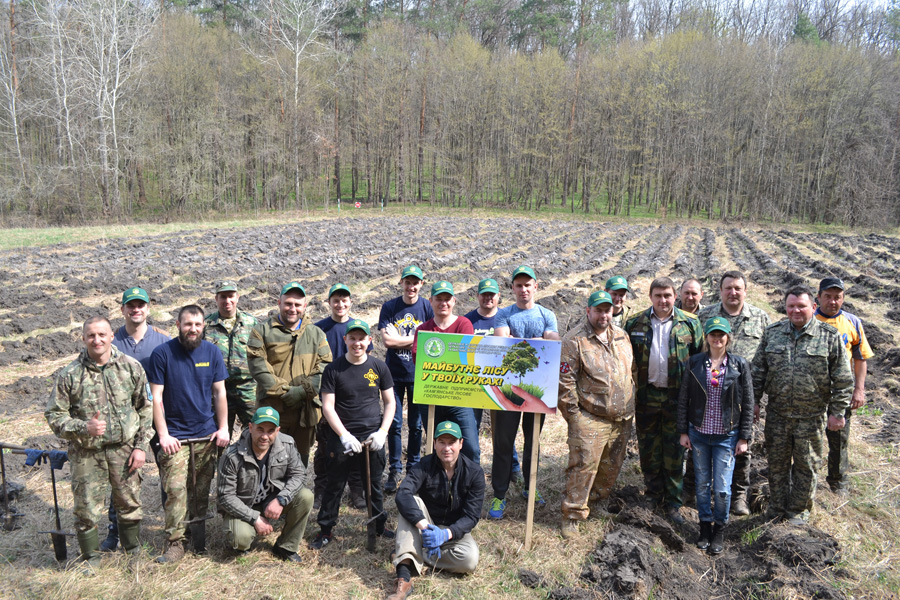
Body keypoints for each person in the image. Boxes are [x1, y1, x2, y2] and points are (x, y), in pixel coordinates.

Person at [45, 316, 153, 567]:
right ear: (83, 338)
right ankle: (91, 557)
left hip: (124, 450)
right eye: (91, 335)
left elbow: (145, 409)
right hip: (87, 453)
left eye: (102, 334)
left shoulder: (131, 367)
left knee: (129, 503)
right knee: (86, 509)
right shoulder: (70, 374)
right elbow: (54, 415)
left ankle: (132, 549)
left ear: (111, 336)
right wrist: (84, 427)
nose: (97, 340)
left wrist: (140, 447)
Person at [752, 285, 853, 525]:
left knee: (806, 466)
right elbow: (758, 371)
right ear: (785, 308)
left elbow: (843, 379)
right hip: (777, 414)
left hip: (811, 417)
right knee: (776, 465)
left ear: (813, 307)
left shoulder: (829, 337)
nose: (796, 310)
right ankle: (776, 507)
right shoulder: (772, 333)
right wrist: (754, 402)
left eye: (801, 306)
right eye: (791, 306)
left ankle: (798, 511)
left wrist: (837, 412)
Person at [148, 305, 231, 563]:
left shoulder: (213, 352)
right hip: (176, 438)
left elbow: (219, 393)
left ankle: (198, 536)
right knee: (175, 489)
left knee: (200, 489)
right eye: (187, 324)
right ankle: (175, 542)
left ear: (203, 325)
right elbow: (156, 398)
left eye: (197, 324)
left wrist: (224, 427)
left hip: (206, 436)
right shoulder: (162, 354)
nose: (192, 329)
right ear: (178, 325)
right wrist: (163, 434)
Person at [310, 319, 396, 550]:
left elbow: (390, 402)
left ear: (370, 341)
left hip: (372, 436)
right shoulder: (333, 369)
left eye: (362, 338)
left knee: (374, 485)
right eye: (353, 338)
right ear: (345, 340)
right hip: (342, 437)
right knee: (334, 484)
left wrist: (382, 432)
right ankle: (326, 530)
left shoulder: (379, 367)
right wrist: (343, 435)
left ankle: (378, 526)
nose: (357, 343)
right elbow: (327, 407)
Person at [625, 276, 702, 524]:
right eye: (658, 296)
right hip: (647, 397)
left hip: (676, 399)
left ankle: (673, 503)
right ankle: (652, 494)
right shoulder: (634, 323)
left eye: (667, 295)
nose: (663, 300)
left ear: (675, 297)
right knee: (648, 449)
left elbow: (700, 361)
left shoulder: (689, 323)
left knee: (674, 450)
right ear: (651, 297)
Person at [558, 291, 635, 539]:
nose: (604, 315)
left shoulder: (622, 336)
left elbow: (631, 370)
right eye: (599, 310)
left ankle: (598, 501)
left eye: (608, 310)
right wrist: (575, 417)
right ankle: (572, 514)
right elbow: (564, 382)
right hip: (590, 416)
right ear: (588, 311)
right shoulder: (574, 340)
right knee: (583, 467)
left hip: (621, 417)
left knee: (611, 465)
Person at [101, 286, 170, 552]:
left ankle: (172, 529)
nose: (136, 309)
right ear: (123, 310)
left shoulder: (163, 340)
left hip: (158, 416)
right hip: (124, 422)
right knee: (121, 476)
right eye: (131, 305)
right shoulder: (112, 340)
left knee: (168, 469)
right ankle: (115, 531)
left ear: (148, 308)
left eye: (140, 305)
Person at [677, 318, 753, 554]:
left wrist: (744, 437)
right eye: (712, 334)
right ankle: (704, 527)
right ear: (707, 337)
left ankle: (720, 527)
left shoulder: (739, 365)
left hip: (726, 436)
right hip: (699, 434)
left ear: (728, 337)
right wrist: (683, 431)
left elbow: (748, 402)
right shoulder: (695, 363)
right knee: (701, 485)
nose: (717, 339)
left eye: (721, 334)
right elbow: (683, 399)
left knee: (722, 488)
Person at [489, 265, 559, 519]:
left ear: (535, 286)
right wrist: (536, 342)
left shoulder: (546, 314)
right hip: (509, 388)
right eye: (518, 285)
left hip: (538, 390)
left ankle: (531, 487)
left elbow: (553, 337)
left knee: (533, 442)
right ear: (513, 288)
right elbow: (502, 340)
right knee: (503, 442)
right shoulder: (504, 314)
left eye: (528, 285)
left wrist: (542, 340)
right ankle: (499, 494)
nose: (523, 289)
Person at [698, 270, 771, 515]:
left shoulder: (760, 318)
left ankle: (739, 495)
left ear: (745, 291)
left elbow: (765, 361)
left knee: (743, 446)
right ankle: (703, 492)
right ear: (720, 291)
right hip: (710, 395)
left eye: (737, 288)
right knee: (705, 442)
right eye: (728, 288)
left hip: (745, 398)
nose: (733, 292)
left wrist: (759, 399)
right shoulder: (705, 316)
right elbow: (695, 355)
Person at [387, 421, 485, 600]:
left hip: (452, 531)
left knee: (469, 560)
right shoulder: (424, 465)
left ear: (461, 444)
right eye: (442, 442)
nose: (447, 448)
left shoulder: (475, 473)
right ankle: (404, 578)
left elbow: (471, 516)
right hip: (425, 525)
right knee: (411, 500)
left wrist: (446, 534)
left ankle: (413, 554)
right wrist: (424, 527)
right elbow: (402, 494)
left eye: (452, 442)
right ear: (434, 443)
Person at [248, 281, 332, 466]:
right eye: (288, 303)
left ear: (304, 306)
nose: (292, 308)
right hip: (272, 411)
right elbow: (258, 366)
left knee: (298, 463)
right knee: (267, 461)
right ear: (279, 303)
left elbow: (324, 367)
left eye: (297, 304)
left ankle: (295, 494)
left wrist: (302, 392)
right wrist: (286, 392)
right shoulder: (261, 331)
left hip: (305, 413)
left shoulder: (316, 334)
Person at [216, 407, 314, 562]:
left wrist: (281, 499)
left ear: (278, 430)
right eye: (260, 429)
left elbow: (299, 475)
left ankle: (286, 547)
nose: (265, 436)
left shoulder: (287, 444)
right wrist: (255, 518)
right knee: (240, 539)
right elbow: (225, 496)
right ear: (250, 427)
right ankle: (246, 537)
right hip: (245, 505)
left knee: (306, 496)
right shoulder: (232, 455)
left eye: (270, 431)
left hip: (272, 499)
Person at [313, 283, 372, 510]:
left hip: (352, 397)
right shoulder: (319, 329)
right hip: (327, 394)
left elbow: (365, 362)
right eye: (335, 300)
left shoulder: (359, 329)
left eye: (344, 300)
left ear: (350, 302)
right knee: (325, 446)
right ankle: (322, 489)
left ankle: (356, 490)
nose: (340, 304)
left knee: (355, 443)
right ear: (329, 303)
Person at [814, 277, 873, 496]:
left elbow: (860, 359)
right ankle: (803, 476)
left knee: (839, 437)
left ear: (843, 298)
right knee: (807, 436)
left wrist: (859, 389)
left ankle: (837, 481)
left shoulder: (853, 322)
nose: (832, 301)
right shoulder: (809, 319)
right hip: (812, 391)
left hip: (841, 391)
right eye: (827, 296)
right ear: (818, 297)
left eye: (837, 297)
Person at [378, 265, 434, 493]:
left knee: (416, 425)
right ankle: (394, 469)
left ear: (421, 284)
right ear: (401, 283)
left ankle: (413, 468)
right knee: (394, 423)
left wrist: (402, 338)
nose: (411, 287)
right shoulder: (390, 307)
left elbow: (432, 339)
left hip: (419, 373)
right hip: (394, 374)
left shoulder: (427, 307)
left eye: (416, 282)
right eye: (407, 282)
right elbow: (388, 342)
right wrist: (416, 338)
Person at [463, 278, 524, 482]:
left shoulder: (507, 318)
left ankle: (513, 467)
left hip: (502, 382)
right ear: (478, 296)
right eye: (484, 294)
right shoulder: (467, 321)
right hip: (474, 384)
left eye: (492, 294)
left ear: (499, 296)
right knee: (472, 428)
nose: (488, 297)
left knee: (504, 432)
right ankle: (473, 470)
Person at [412, 281, 479, 463]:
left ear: (454, 301)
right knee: (437, 447)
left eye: (447, 299)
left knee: (471, 447)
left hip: (459, 397)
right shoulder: (423, 330)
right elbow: (419, 360)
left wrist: (440, 362)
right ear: (430, 301)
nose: (443, 303)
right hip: (431, 397)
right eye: (439, 299)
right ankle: (438, 487)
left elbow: (464, 357)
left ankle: (470, 487)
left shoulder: (464, 324)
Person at [203, 281, 259, 436]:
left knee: (255, 432)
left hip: (247, 389)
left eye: (231, 296)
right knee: (217, 436)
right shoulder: (206, 324)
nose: (227, 301)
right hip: (217, 390)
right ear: (216, 299)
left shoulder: (251, 323)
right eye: (223, 297)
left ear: (238, 297)